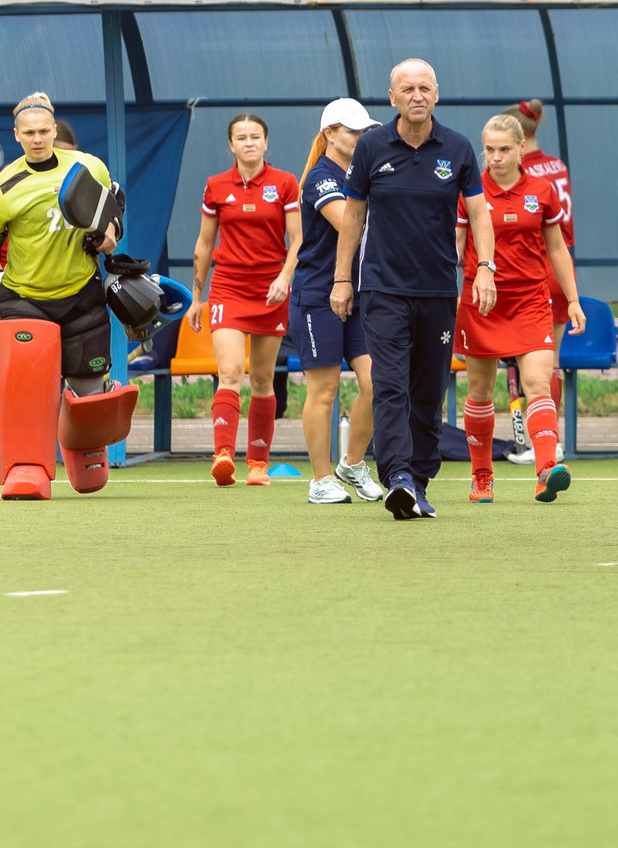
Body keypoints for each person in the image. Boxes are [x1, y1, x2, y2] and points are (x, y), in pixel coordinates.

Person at [348, 59, 494, 520]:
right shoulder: (371, 147)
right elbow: (353, 217)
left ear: (436, 94)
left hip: (437, 291)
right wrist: (340, 279)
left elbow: (479, 214)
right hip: (382, 289)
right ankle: (399, 478)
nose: (416, 95)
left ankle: (420, 481)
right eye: (407, 88)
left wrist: (486, 267)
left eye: (424, 88)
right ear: (392, 97)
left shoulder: (458, 147)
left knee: (429, 392)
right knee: (389, 385)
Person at [0, 92, 122, 398]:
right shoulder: (1, 189)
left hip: (81, 296)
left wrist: (111, 228)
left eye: (44, 131)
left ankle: (84, 442)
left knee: (91, 400)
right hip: (26, 301)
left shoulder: (88, 167)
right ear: (16, 135)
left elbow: (115, 201)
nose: (37, 139)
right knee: (30, 397)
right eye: (29, 133)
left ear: (55, 130)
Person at [454, 111, 583, 504]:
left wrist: (574, 300)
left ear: (521, 147)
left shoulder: (543, 191)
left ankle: (545, 471)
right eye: (489, 149)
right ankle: (481, 478)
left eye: (504, 149)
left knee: (538, 383)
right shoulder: (469, 191)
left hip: (531, 300)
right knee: (479, 391)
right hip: (482, 301)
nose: (495, 157)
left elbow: (557, 248)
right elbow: (455, 249)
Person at [190, 113, 301, 487]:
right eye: (242, 137)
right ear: (232, 145)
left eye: (256, 136)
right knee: (231, 372)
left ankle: (258, 463)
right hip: (228, 289)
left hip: (270, 291)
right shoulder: (216, 186)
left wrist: (285, 278)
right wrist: (195, 298)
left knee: (264, 379)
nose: (249, 142)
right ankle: (223, 455)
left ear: (266, 142)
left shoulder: (285, 183)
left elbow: (298, 240)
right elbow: (205, 244)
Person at [289, 98, 387, 506]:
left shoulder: (362, 172)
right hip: (317, 295)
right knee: (324, 390)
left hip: (358, 295)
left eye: (365, 131)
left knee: (378, 383)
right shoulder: (319, 177)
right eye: (352, 131)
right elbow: (351, 221)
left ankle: (352, 464)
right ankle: (320, 480)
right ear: (330, 133)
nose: (361, 137)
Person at [0, 118, 83, 451]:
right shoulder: (11, 182)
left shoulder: (81, 182)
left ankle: (58, 439)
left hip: (51, 282)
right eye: (32, 134)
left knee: (53, 359)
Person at [505, 97, 576, 465]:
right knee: (552, 361)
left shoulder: (524, 172)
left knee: (526, 364)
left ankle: (536, 442)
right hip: (562, 268)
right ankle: (553, 439)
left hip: (532, 267)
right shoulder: (557, 164)